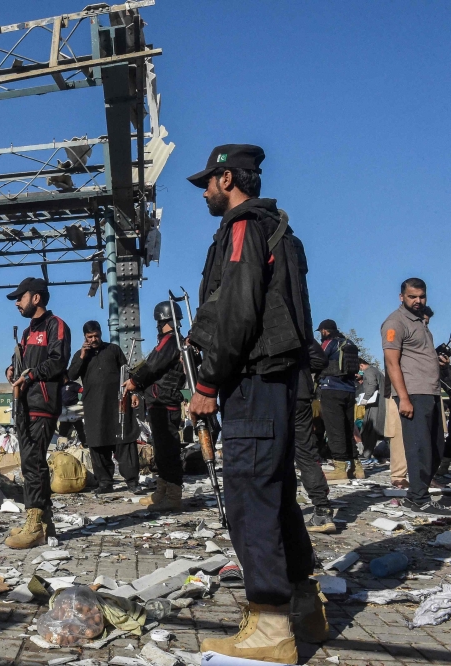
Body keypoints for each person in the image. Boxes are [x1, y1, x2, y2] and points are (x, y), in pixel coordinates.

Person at [186, 145, 323, 662]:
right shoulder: (281, 230)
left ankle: (269, 625)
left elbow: (238, 313)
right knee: (277, 493)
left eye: (208, 182)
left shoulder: (244, 227)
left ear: (228, 178)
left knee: (251, 500)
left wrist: (207, 382)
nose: (204, 192)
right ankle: (305, 608)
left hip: (251, 380)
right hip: (279, 380)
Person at [3, 277, 71, 549]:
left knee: (33, 462)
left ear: (37, 298)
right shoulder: (28, 331)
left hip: (42, 405)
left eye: (21, 297)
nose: (17, 302)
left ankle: (35, 524)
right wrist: (12, 368)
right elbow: (24, 362)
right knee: (32, 462)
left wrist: (30, 374)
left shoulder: (57, 326)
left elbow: (58, 362)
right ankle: (43, 520)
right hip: (24, 404)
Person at [381, 278, 451, 515]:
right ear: (402, 297)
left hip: (430, 391)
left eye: (421, 296)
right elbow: (392, 363)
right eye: (412, 296)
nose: (418, 301)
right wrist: (405, 398)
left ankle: (421, 492)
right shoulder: (395, 322)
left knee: (435, 447)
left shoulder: (421, 323)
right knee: (419, 447)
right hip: (412, 392)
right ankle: (417, 498)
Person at [124, 302, 187, 511]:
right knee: (161, 450)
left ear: (162, 321)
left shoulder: (170, 341)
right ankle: (162, 490)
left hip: (165, 402)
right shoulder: (172, 341)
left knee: (168, 451)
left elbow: (153, 365)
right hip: (160, 401)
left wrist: (135, 381)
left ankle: (173, 495)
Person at [68, 320, 131, 496]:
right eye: (90, 337)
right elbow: (71, 375)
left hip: (116, 404)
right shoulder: (80, 355)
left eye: (96, 335)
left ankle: (132, 481)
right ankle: (105, 482)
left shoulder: (113, 350)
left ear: (101, 333)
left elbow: (126, 372)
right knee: (97, 444)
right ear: (85, 337)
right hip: (93, 406)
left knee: (122, 442)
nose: (94, 339)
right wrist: (82, 356)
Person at [316, 320, 363, 481]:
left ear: (324, 331)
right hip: (349, 390)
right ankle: (357, 467)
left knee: (334, 429)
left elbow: (317, 360)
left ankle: (340, 468)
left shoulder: (329, 343)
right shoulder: (348, 343)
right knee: (348, 429)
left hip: (331, 389)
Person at [357, 358, 386, 461]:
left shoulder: (368, 372)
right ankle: (368, 453)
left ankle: (366, 454)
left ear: (361, 365)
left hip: (374, 405)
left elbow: (372, 385)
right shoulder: (376, 371)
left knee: (368, 430)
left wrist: (365, 399)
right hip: (381, 403)